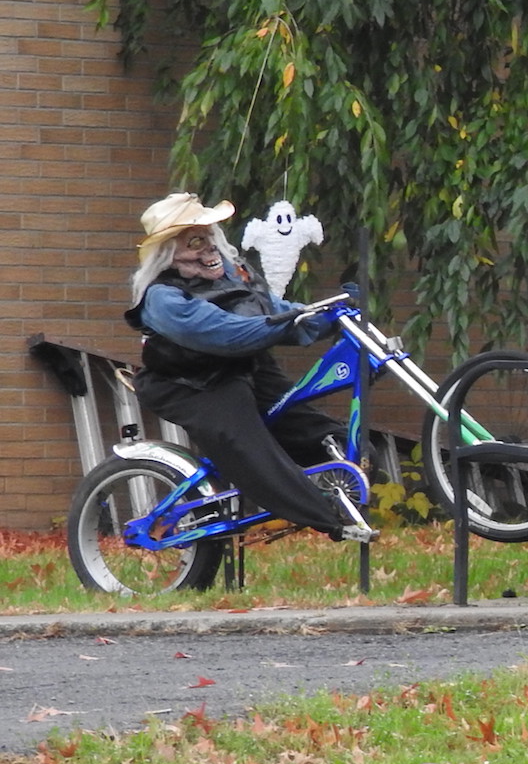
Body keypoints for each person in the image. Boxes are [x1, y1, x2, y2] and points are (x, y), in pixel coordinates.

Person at [123, 193, 375, 541]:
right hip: (192, 383)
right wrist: (286, 322)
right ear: (169, 253)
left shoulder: (233, 273)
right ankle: (324, 516)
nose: (209, 247)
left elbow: (273, 307)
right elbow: (227, 334)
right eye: (195, 241)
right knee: (248, 444)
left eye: (210, 235)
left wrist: (330, 316)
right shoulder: (162, 297)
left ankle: (341, 484)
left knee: (315, 428)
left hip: (245, 367)